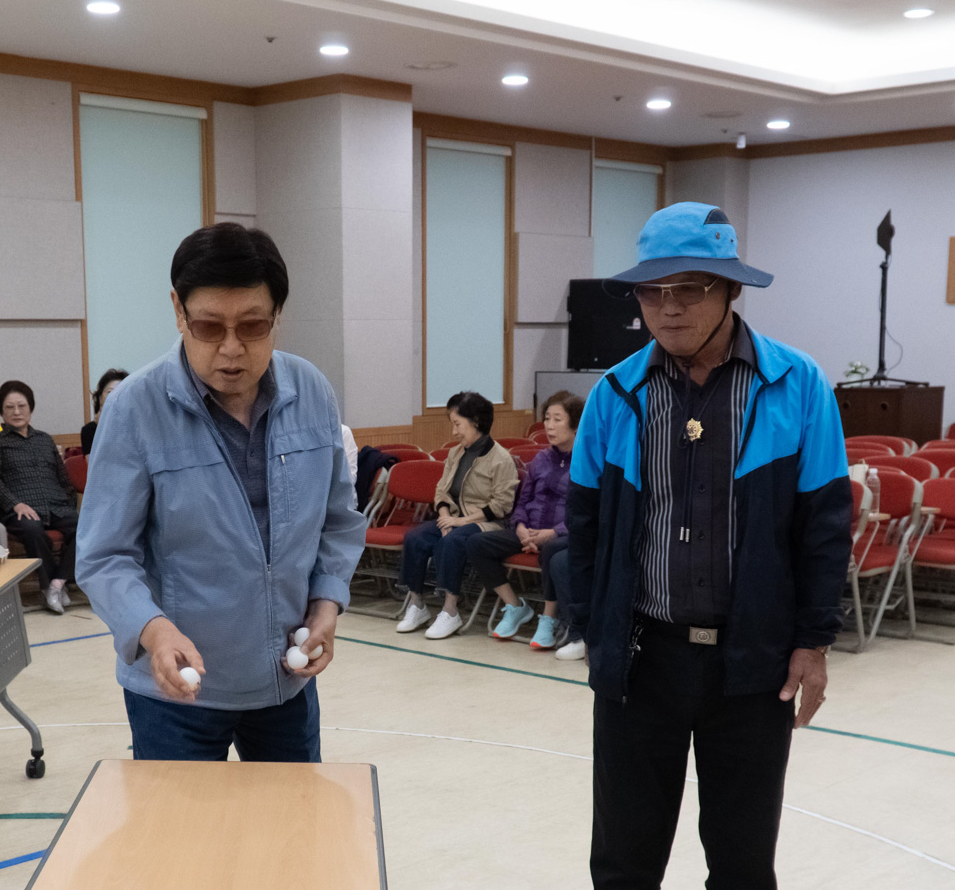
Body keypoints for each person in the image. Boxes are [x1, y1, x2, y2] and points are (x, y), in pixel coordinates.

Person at [567, 202, 850, 890]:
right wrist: (594, 632)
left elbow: (824, 525)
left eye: (690, 289)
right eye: (654, 292)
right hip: (642, 659)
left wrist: (812, 642)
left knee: (742, 858)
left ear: (730, 291)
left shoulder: (797, 387)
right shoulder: (615, 395)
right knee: (625, 856)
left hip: (750, 665)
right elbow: (583, 525)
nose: (670, 307)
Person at [75, 223, 363, 762]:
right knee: (181, 820)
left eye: (253, 326)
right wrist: (154, 631)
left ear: (278, 315)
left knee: (290, 816)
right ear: (178, 312)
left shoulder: (312, 393)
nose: (231, 349)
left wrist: (326, 604)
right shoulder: (135, 409)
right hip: (176, 690)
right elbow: (104, 555)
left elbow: (337, 521)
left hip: (285, 684)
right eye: (209, 327)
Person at [394, 392, 520, 641]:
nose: (454, 432)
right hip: (453, 518)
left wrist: (460, 522)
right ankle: (417, 604)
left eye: (457, 424)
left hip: (486, 523)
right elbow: (441, 490)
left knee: (452, 541)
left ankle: (450, 610)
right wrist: (444, 518)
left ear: (476, 422)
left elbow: (502, 506)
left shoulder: (501, 459)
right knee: (415, 538)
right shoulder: (455, 453)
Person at [465, 390, 581, 649]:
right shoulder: (542, 458)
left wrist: (553, 532)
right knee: (476, 543)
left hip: (562, 535)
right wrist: (520, 527)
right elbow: (524, 499)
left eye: (557, 419)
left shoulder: (586, 461)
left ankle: (548, 618)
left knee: (552, 550)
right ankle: (515, 605)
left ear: (575, 424)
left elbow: (585, 511)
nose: (549, 425)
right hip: (529, 531)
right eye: (547, 418)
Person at [0, 380, 82, 614]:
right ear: (1, 412)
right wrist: (15, 504)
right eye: (10, 407)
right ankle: (47, 587)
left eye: (21, 406)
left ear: (30, 408)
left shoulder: (45, 439)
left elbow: (63, 478)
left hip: (56, 505)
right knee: (32, 529)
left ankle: (58, 583)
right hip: (19, 508)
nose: (17, 412)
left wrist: (69, 503)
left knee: (85, 527)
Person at [79, 368, 126, 456]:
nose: (115, 396)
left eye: (121, 392)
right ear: (100, 397)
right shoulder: (89, 430)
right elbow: (95, 463)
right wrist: (103, 427)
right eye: (110, 392)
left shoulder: (136, 426)